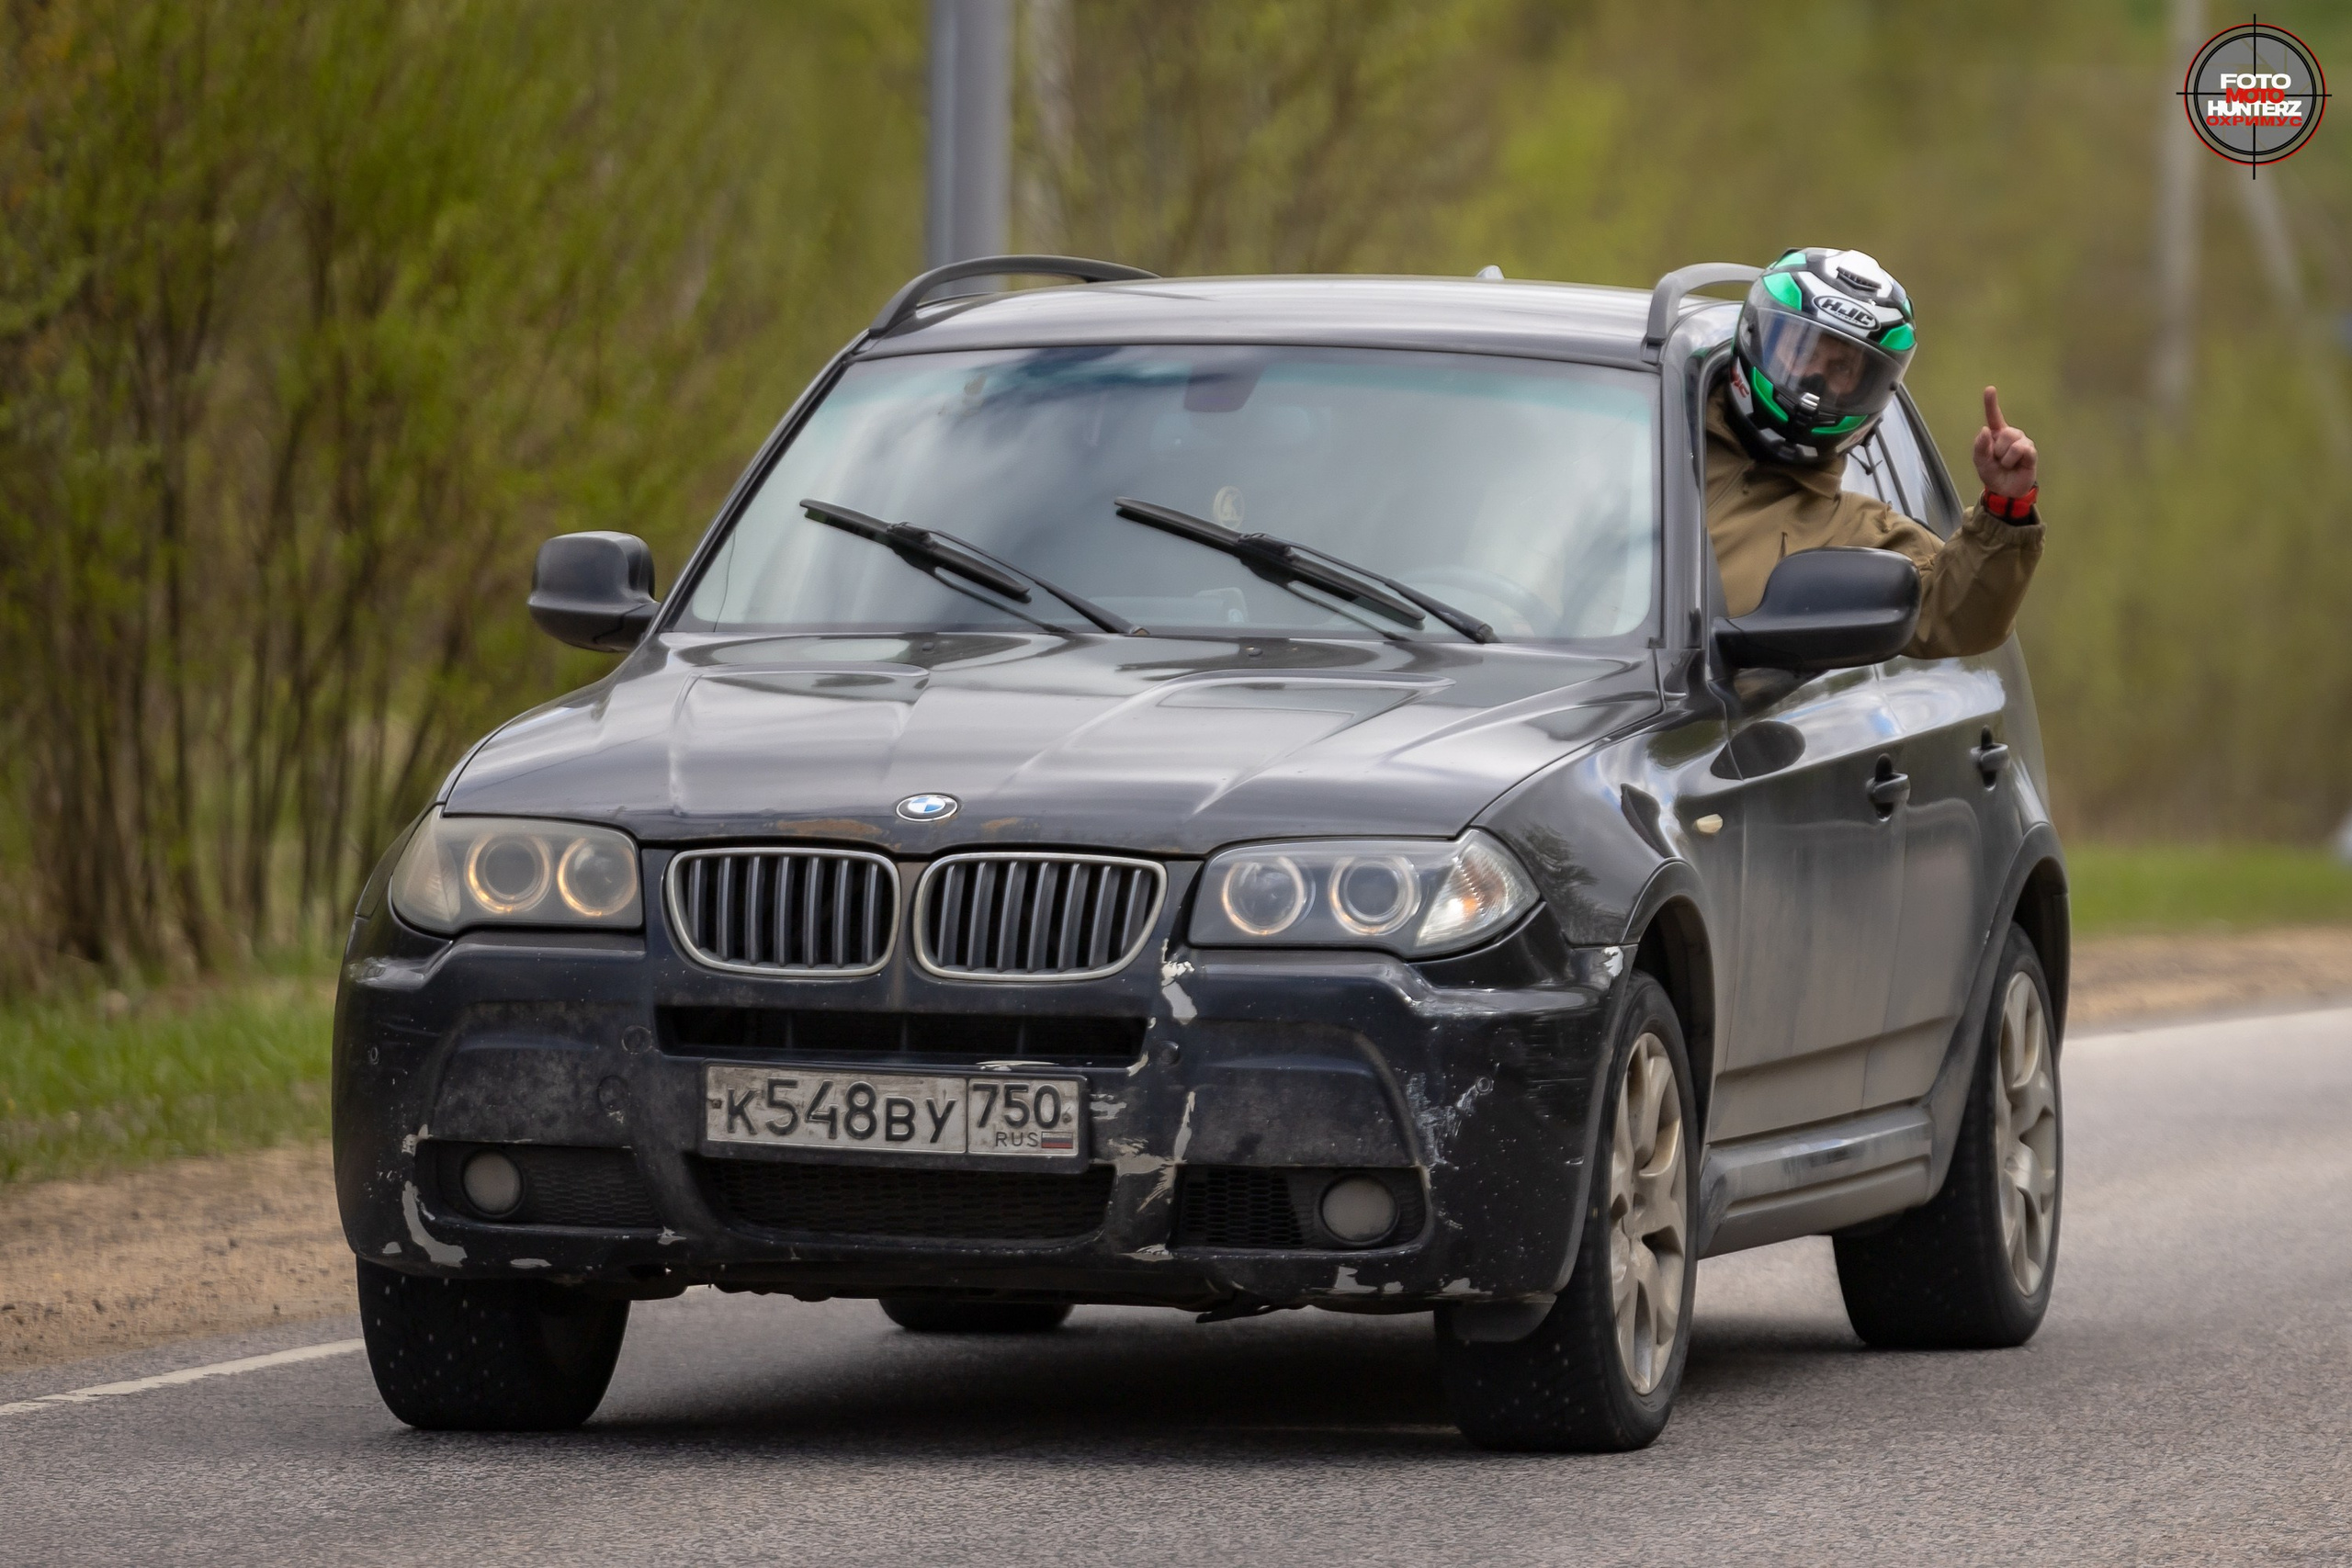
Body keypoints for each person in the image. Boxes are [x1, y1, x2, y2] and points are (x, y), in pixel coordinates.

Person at [1707, 248, 2041, 660]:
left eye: (1842, 369)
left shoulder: (1857, 536)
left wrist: (2006, 508)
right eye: (1802, 350)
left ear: (1873, 390)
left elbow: (1958, 615)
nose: (1813, 379)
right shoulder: (1649, 436)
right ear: (1759, 336)